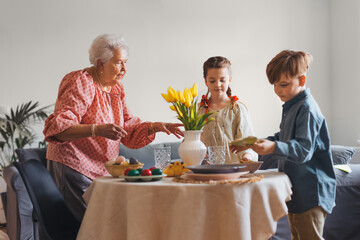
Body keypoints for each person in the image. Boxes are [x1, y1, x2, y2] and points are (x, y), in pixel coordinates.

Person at [43, 34, 183, 221]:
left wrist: (154, 127)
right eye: (118, 63)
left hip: (100, 170)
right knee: (94, 225)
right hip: (74, 166)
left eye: (125, 62)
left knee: (110, 222)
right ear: (100, 64)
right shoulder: (81, 81)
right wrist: (96, 129)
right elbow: (59, 127)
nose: (124, 69)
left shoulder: (115, 89)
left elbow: (128, 127)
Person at [230, 50, 336, 240]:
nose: (278, 90)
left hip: (311, 192)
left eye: (284, 85)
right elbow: (285, 136)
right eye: (275, 85)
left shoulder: (307, 109)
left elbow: (303, 149)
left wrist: (273, 148)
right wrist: (253, 143)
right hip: (297, 190)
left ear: (302, 80)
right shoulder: (292, 104)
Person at [199, 56, 258, 163]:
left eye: (222, 80)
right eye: (212, 81)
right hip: (206, 170)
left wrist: (247, 156)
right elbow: (192, 142)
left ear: (229, 80)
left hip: (233, 170)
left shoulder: (238, 109)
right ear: (205, 81)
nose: (217, 84)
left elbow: (248, 143)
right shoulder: (198, 110)